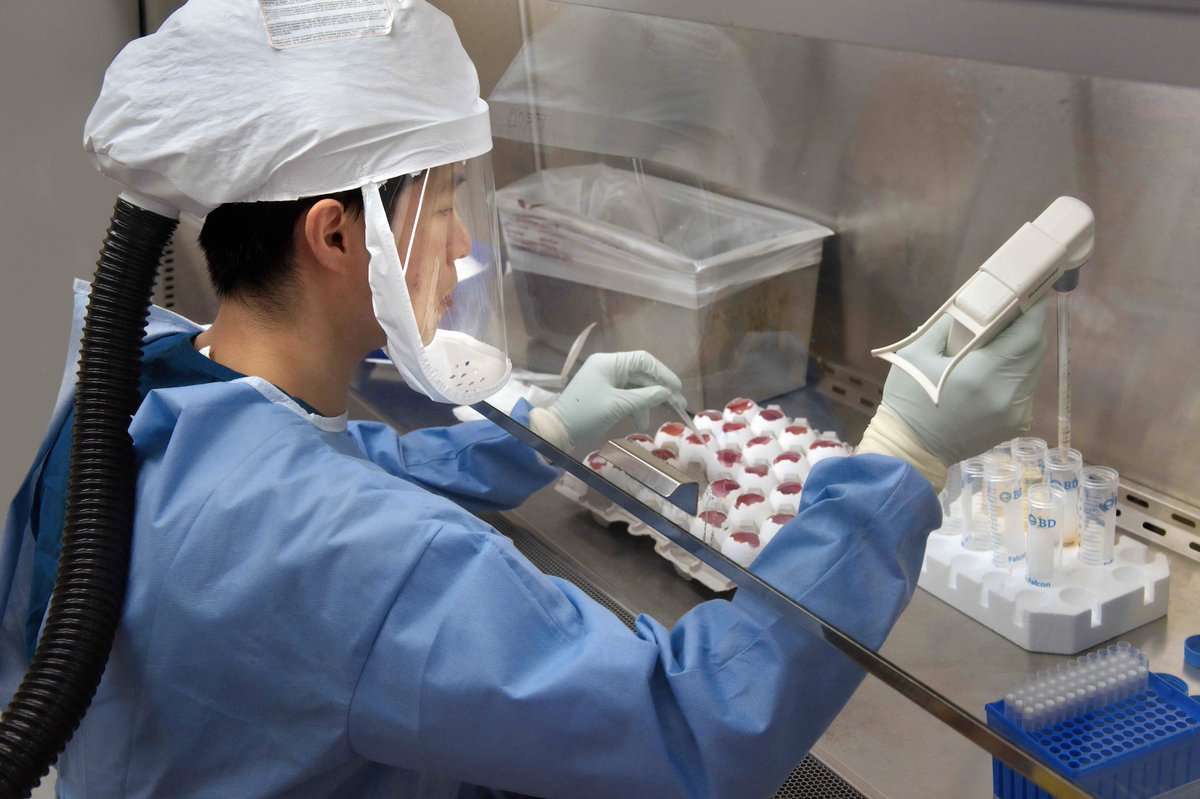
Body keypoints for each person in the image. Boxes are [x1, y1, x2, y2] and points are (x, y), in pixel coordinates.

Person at [0, 2, 1047, 797]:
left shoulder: (137, 382)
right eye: (445, 201)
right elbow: (692, 723)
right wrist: (903, 457)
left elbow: (311, 475)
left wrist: (535, 437)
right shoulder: (365, 556)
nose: (462, 244)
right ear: (336, 234)